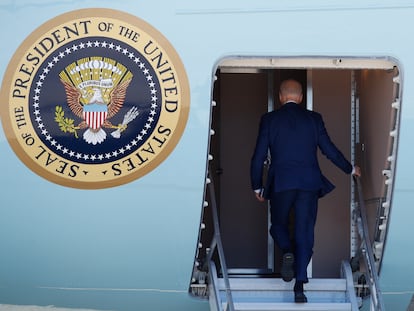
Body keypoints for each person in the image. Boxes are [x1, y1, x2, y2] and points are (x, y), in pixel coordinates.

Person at [250, 79, 361, 303]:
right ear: (300, 97)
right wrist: (350, 169)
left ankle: (286, 250)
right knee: (305, 233)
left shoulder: (270, 120)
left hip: (281, 183)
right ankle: (299, 287)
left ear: (281, 97)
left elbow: (259, 156)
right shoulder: (314, 119)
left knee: (278, 226)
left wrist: (257, 185)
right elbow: (329, 149)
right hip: (309, 183)